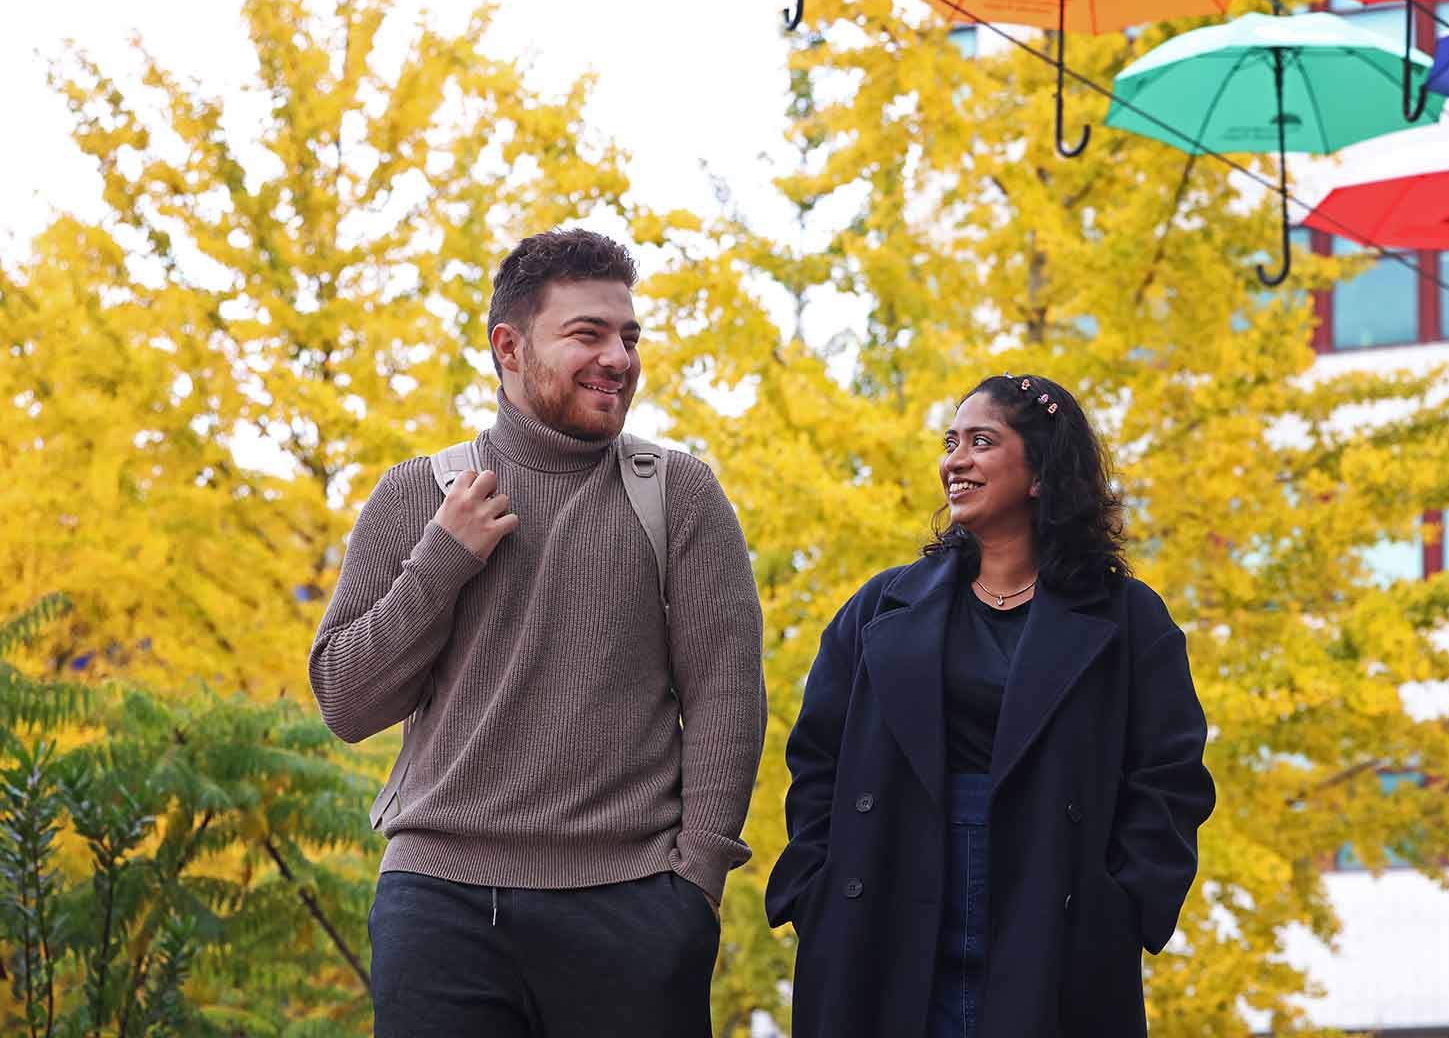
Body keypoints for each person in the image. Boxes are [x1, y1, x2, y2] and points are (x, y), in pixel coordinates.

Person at [310, 228, 766, 1038]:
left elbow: (727, 694)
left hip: (631, 908)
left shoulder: (681, 495)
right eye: (587, 334)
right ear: (509, 348)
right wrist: (440, 563)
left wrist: (694, 886)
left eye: (629, 336)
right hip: (438, 907)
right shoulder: (417, 494)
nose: (618, 358)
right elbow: (346, 702)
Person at [765, 373, 1214, 1038]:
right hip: (886, 900)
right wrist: (818, 888)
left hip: (1051, 908)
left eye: (981, 441)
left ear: (1040, 473)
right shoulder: (880, 607)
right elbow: (817, 758)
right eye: (951, 443)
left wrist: (1119, 904)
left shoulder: (1127, 617)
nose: (955, 460)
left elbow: (1170, 775)